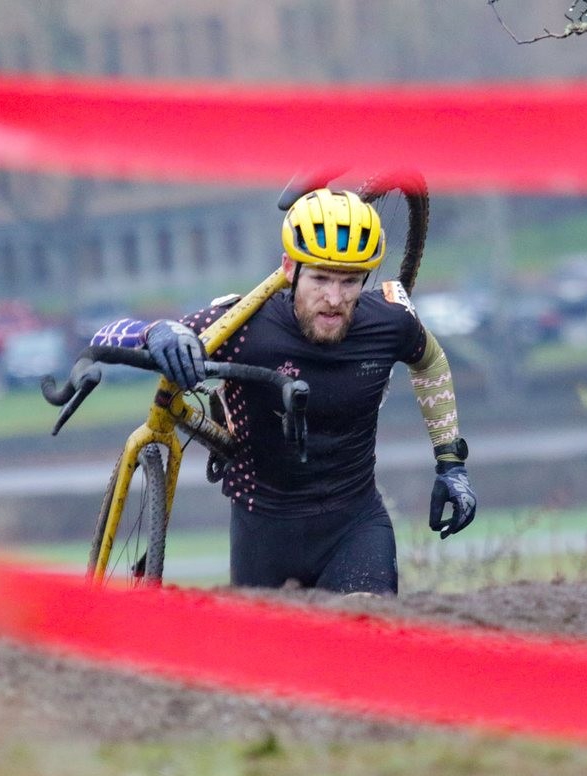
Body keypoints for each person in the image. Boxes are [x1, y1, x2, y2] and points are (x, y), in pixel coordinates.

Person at [90, 189, 476, 595]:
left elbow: (430, 361)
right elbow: (105, 337)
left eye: (348, 282)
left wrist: (451, 464)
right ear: (289, 268)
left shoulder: (389, 324)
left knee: (365, 642)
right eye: (321, 278)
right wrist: (156, 332)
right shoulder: (244, 328)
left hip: (355, 528)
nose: (333, 298)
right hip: (263, 535)